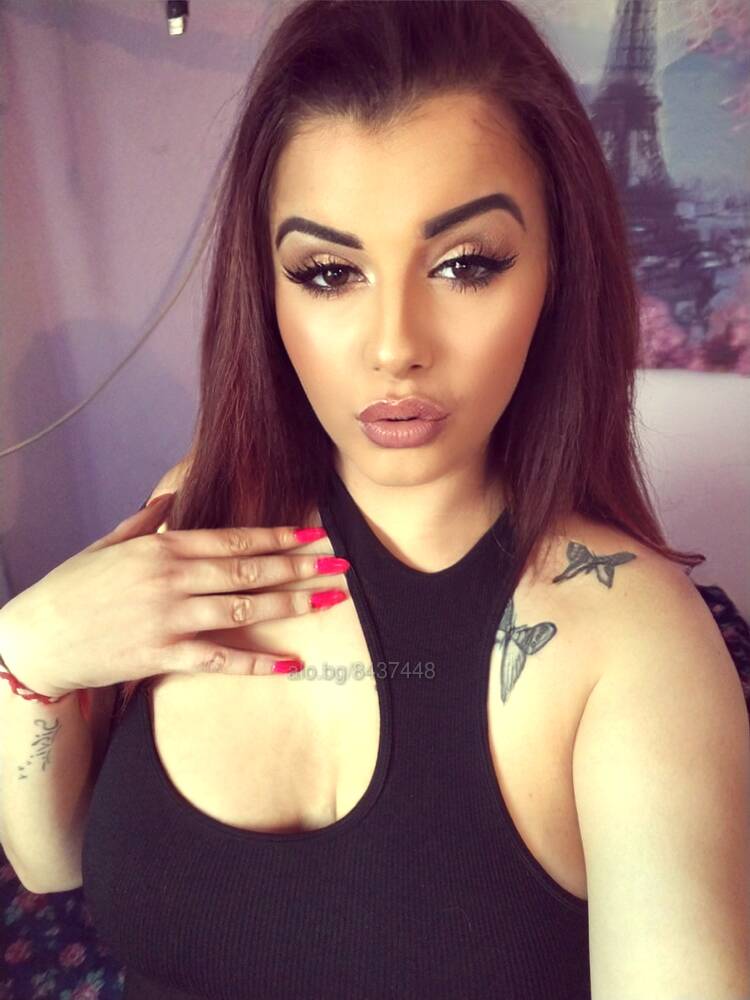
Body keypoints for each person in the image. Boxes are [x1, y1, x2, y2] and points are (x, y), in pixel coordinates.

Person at [1, 1, 748, 998]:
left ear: (557, 272)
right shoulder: (199, 505)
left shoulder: (636, 638)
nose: (395, 345)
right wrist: (29, 654)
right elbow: (52, 861)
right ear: (266, 286)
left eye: (466, 264)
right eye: (328, 271)